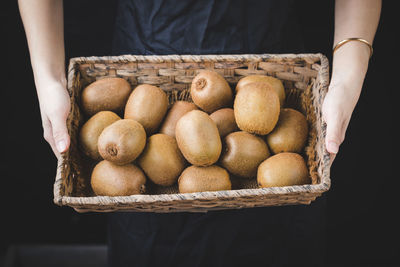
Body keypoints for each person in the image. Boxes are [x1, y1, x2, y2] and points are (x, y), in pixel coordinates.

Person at [18, 0, 381, 266]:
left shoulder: (268, 108)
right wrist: (48, 80)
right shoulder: (137, 128)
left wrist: (348, 76)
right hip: (148, 59)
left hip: (269, 65)